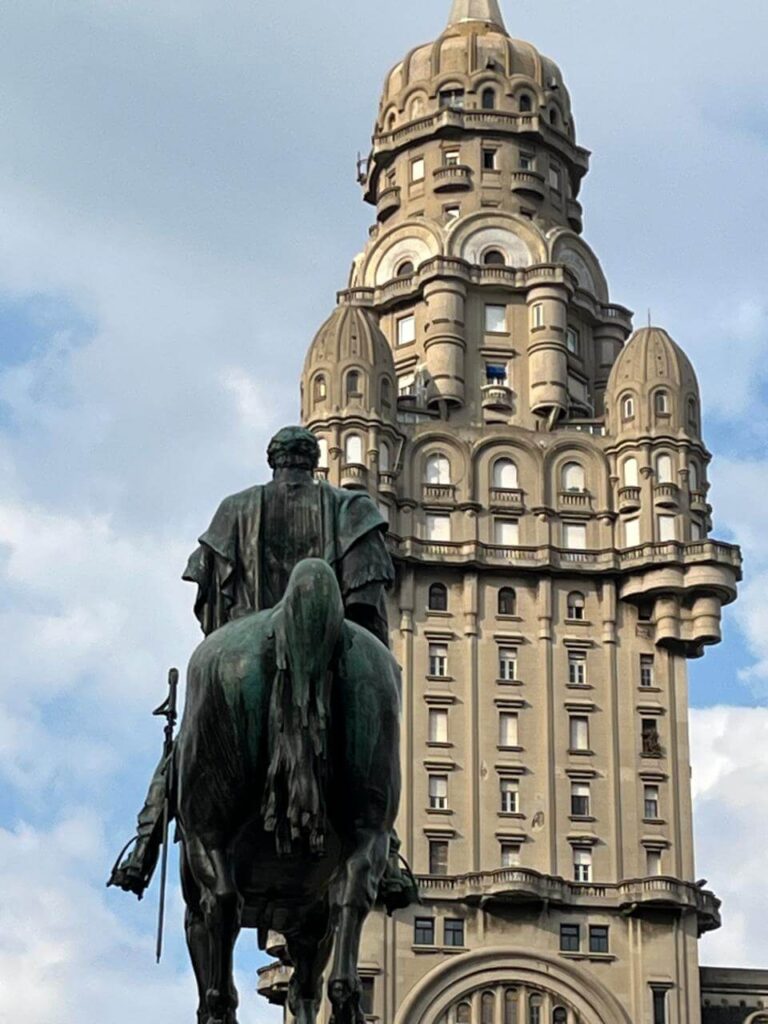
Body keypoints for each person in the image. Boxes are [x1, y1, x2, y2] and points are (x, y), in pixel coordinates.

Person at [108, 426, 416, 911]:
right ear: (313, 461)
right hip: (337, 642)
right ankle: (387, 851)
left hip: (241, 645)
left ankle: (143, 845)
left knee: (187, 742)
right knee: (383, 705)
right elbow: (366, 609)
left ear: (273, 461)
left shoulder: (233, 510)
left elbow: (212, 609)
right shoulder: (354, 510)